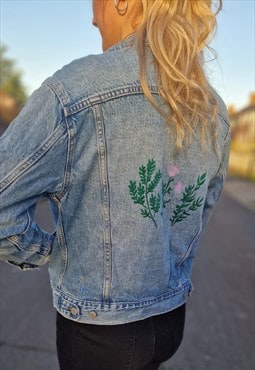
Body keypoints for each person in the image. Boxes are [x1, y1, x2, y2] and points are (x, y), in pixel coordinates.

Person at [0, 0, 230, 369]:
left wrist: (51, 252)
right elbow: (200, 209)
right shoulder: (210, 106)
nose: (93, 18)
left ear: (122, 2)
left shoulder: (74, 89)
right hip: (169, 319)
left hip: (101, 333)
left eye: (95, 3)